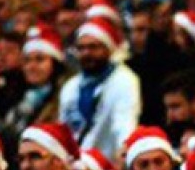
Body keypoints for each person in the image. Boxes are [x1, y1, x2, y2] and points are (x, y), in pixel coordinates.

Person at [58, 18, 141, 158]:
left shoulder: (124, 80)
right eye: (81, 48)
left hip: (108, 161)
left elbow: (125, 123)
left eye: (93, 47)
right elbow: (64, 130)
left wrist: (124, 154)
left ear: (109, 48)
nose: (86, 53)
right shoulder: (70, 86)